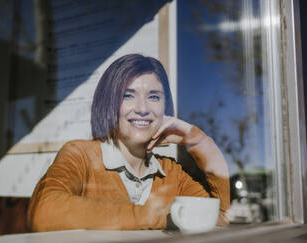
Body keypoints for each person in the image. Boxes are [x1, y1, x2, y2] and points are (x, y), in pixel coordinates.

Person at [27, 54, 230, 231]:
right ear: (109, 103)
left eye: (153, 96)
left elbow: (220, 218)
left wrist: (198, 141)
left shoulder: (172, 173)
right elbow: (43, 212)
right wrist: (161, 216)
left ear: (165, 108)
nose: (142, 108)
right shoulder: (80, 154)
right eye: (128, 96)